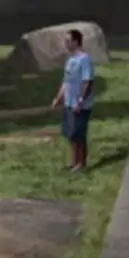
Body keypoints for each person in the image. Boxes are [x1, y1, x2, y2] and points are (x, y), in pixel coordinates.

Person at [52, 28, 96, 172]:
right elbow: (66, 81)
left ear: (76, 42)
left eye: (68, 41)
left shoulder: (84, 59)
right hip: (69, 103)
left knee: (79, 134)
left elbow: (87, 81)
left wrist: (81, 100)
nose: (66, 43)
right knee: (71, 134)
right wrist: (59, 97)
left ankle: (81, 164)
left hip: (80, 105)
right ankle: (74, 162)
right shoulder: (70, 60)